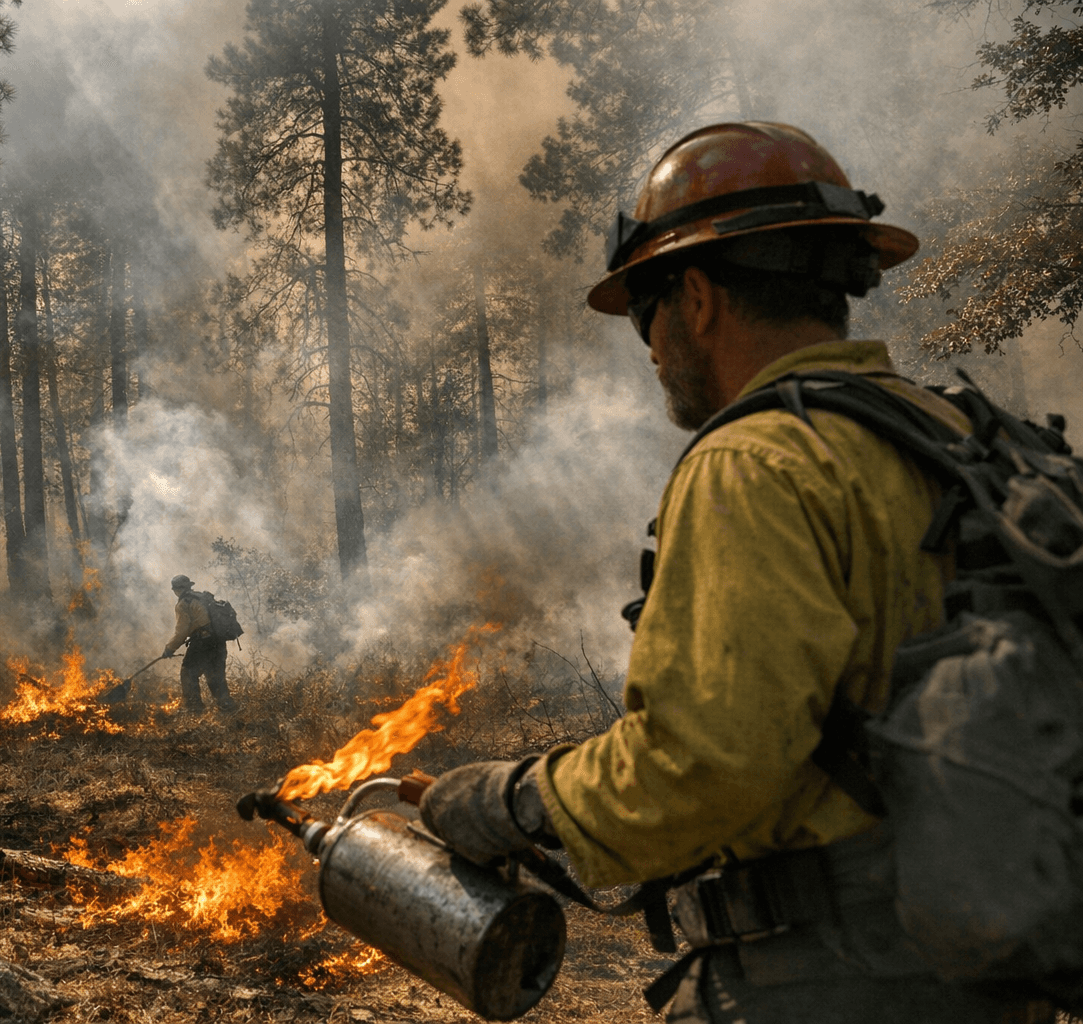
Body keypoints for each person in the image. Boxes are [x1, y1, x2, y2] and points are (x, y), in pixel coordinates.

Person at [417, 123, 1056, 1023]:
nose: (650, 348)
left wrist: (513, 802)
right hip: (989, 975)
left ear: (698, 297)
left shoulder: (755, 464)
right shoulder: (957, 439)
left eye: (645, 312)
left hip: (824, 988)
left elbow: (701, 767)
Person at [163, 574, 236, 713]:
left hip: (202, 644)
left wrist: (169, 649)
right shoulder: (203, 597)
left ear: (177, 590)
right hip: (218, 641)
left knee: (188, 672)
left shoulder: (183, 604)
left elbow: (181, 632)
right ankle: (228, 707)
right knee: (216, 676)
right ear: (189, 586)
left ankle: (193, 709)